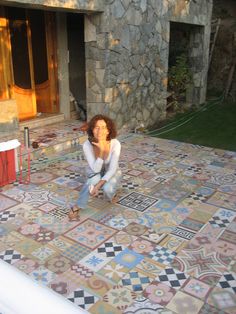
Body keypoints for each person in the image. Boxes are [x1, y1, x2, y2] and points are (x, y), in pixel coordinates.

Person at [68, 114, 122, 220]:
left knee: (107, 189)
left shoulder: (115, 144)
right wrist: (101, 152)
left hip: (112, 171)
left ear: (108, 130)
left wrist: (97, 187)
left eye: (103, 128)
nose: (100, 131)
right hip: (95, 169)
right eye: (96, 127)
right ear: (92, 130)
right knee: (92, 181)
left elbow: (112, 170)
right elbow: (95, 169)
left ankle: (112, 194)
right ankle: (78, 206)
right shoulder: (87, 145)